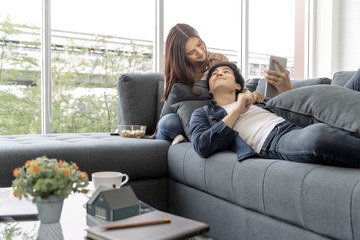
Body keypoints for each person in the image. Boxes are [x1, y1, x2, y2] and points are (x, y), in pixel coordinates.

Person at [190, 62, 360, 167]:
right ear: (210, 90)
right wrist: (236, 110)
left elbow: (297, 112)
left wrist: (287, 91)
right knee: (317, 136)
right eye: (214, 74)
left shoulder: (258, 100)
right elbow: (201, 145)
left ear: (237, 86)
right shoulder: (203, 113)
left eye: (226, 71)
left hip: (299, 123)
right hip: (274, 139)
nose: (219, 73)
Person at [154, 23, 292, 144]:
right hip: (185, 117)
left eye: (199, 44)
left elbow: (240, 88)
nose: (200, 52)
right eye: (191, 52)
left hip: (213, 116)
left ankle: (189, 138)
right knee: (168, 123)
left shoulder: (218, 60)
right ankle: (187, 136)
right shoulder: (177, 71)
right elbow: (169, 106)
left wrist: (251, 97)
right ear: (181, 56)